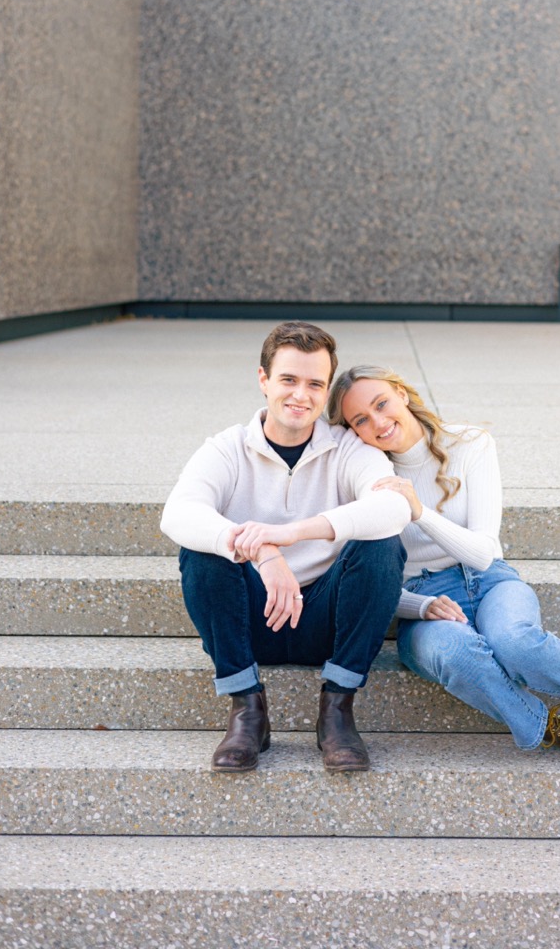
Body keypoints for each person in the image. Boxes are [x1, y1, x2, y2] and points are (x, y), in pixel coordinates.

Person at [328, 364, 560, 767]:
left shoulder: (470, 444)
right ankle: (554, 727)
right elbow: (361, 576)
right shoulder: (364, 475)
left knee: (516, 641)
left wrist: (418, 512)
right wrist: (417, 606)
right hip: (422, 602)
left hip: (489, 582)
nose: (379, 423)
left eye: (382, 404)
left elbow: (483, 552)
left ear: (402, 394)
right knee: (456, 654)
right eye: (361, 420)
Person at [161, 323, 410, 775]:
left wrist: (290, 534)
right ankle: (247, 711)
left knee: (381, 545)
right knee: (200, 550)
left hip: (326, 622)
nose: (301, 395)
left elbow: (393, 507)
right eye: (289, 380)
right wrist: (262, 555)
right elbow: (177, 514)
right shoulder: (227, 448)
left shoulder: (348, 450)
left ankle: (337, 711)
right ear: (264, 380)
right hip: (250, 619)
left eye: (315, 384)